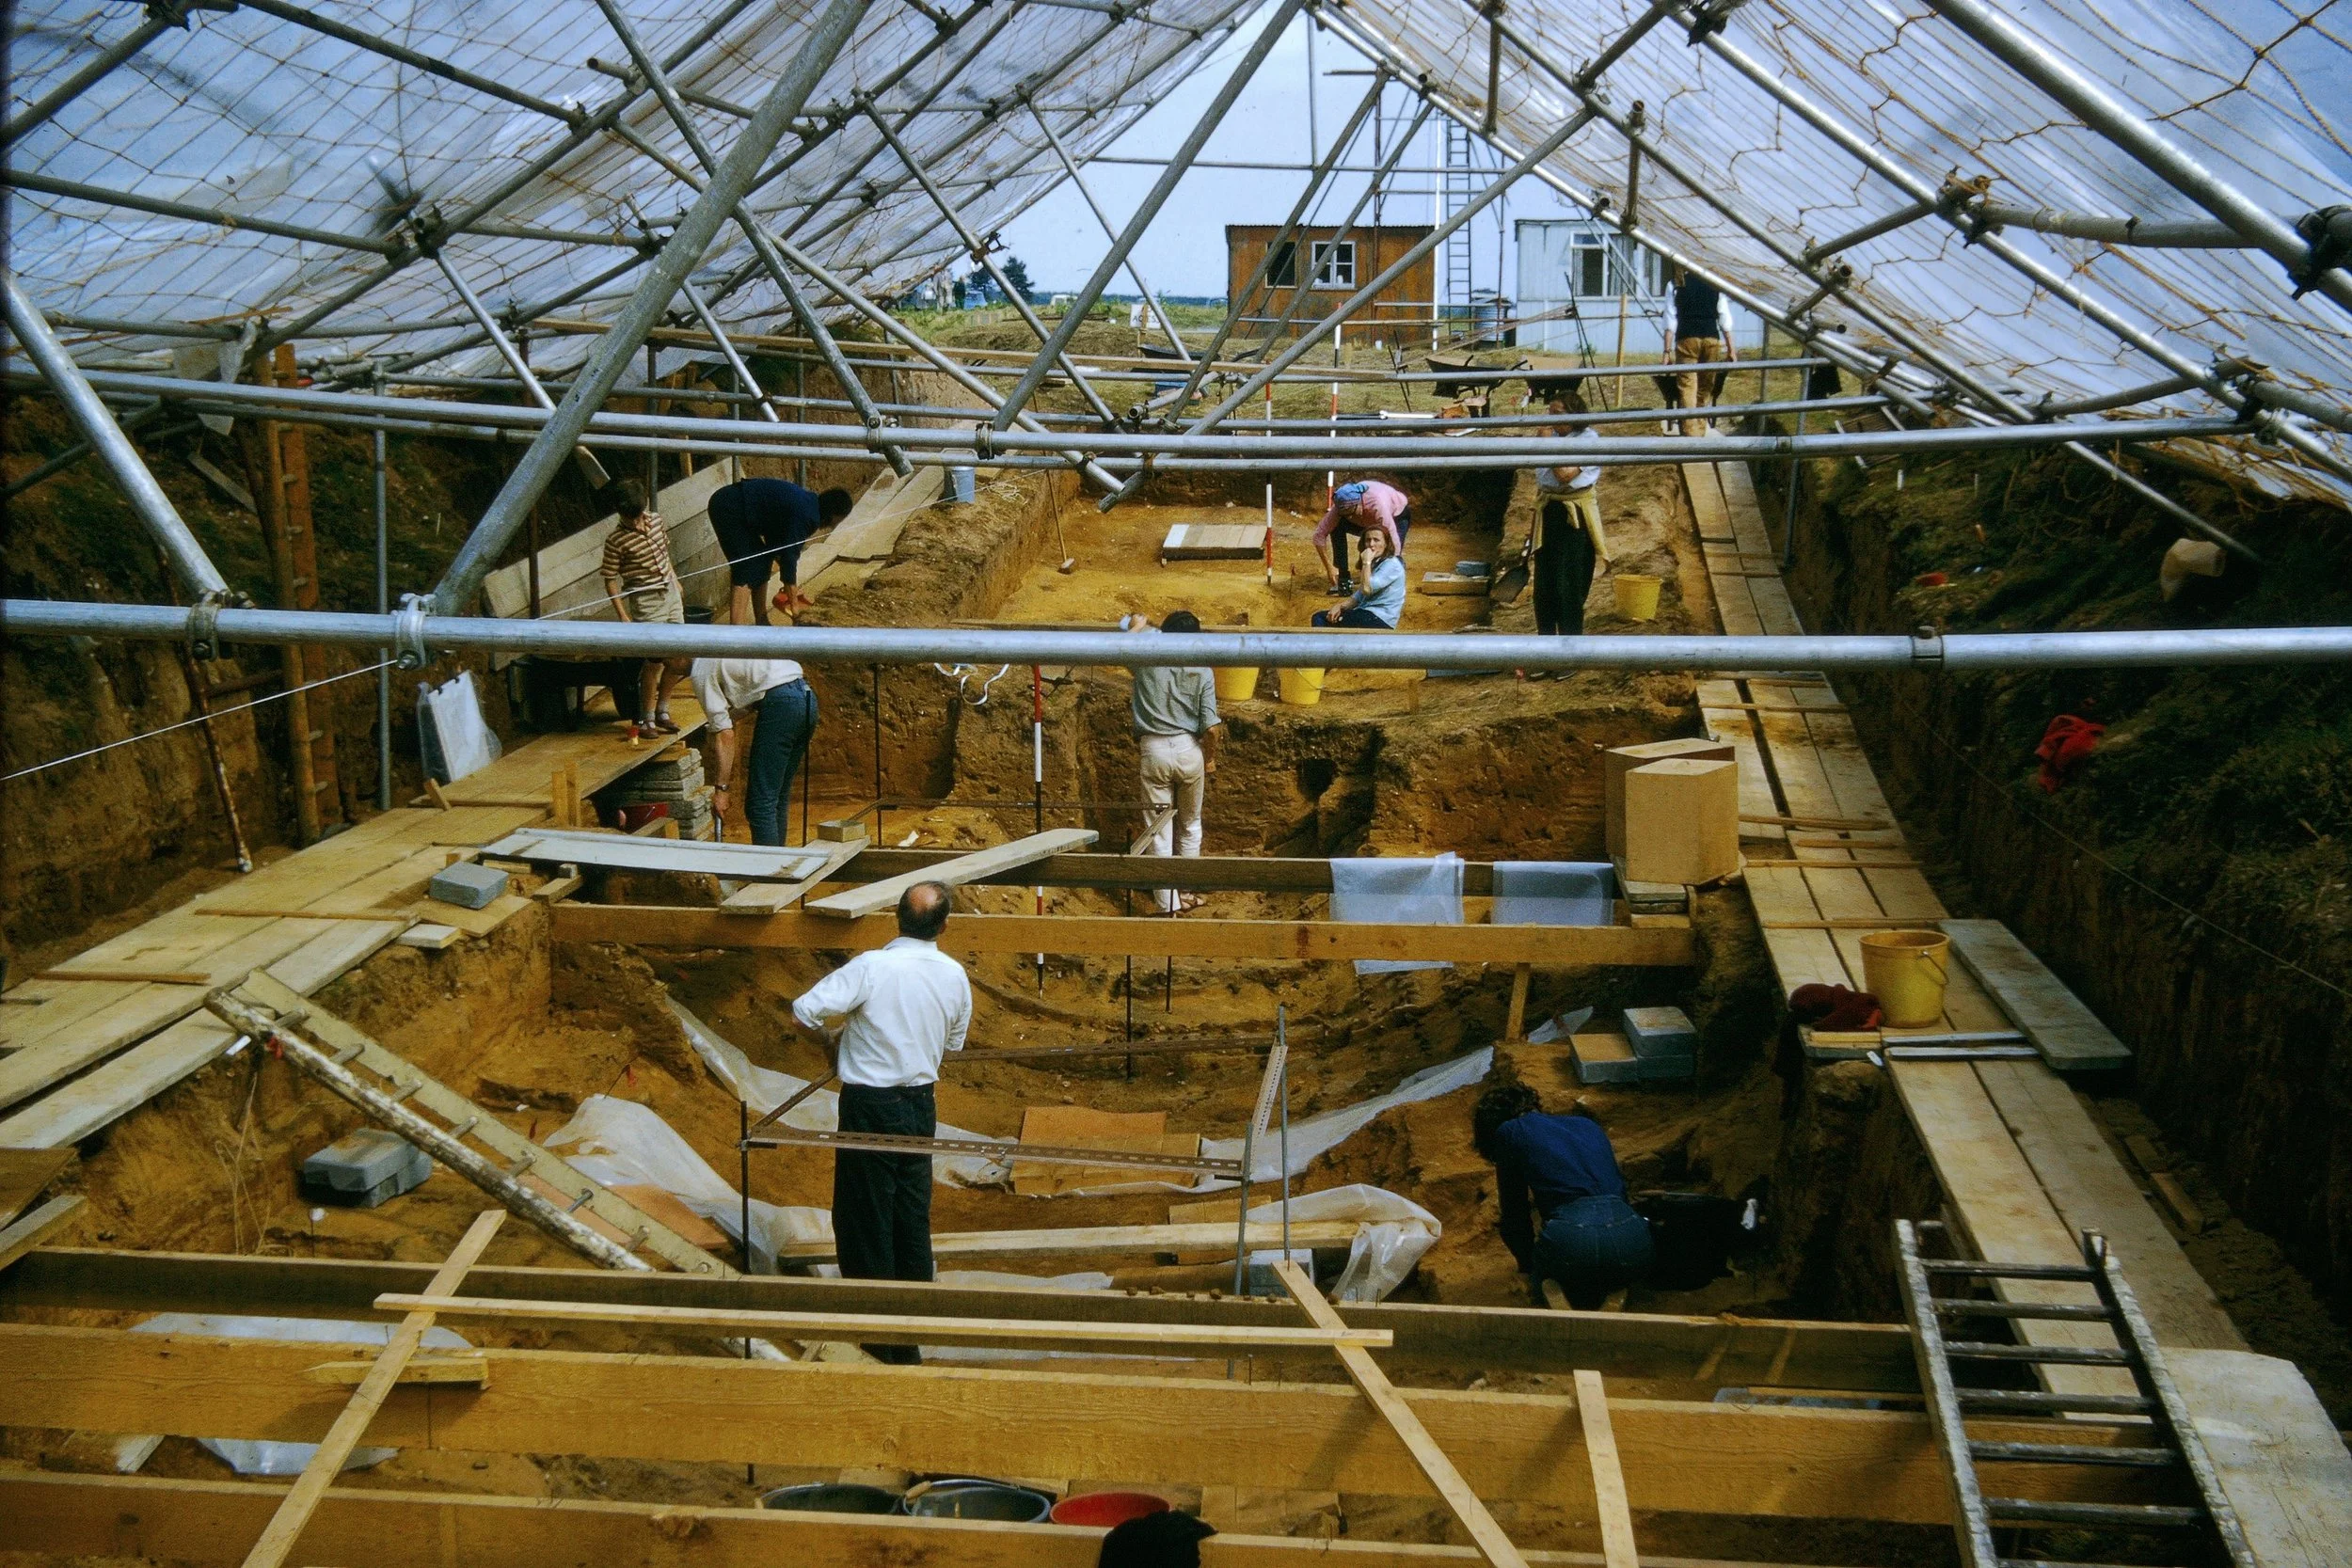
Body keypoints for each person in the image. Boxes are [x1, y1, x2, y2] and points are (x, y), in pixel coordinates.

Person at [789, 881, 971, 1363]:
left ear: (896, 917)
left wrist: (832, 1042)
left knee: (864, 1215)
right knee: (910, 1214)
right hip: (919, 1106)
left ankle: (879, 1341)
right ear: (944, 926)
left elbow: (804, 1011)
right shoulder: (954, 976)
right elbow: (952, 1045)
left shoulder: (872, 966)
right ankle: (909, 1328)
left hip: (870, 1105)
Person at [1473, 1082, 1653, 1308]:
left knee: (1555, 1265)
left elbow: (1514, 1216)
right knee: (1602, 1259)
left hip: (1572, 1241)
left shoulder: (1510, 1132)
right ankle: (1614, 1287)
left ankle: (1551, 1292)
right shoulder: (1586, 1124)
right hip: (1633, 1238)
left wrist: (1529, 1268)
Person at [1128, 610, 1223, 914]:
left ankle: (1168, 904)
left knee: (1159, 829)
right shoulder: (1202, 670)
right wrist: (1209, 759)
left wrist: (1137, 628)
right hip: (1189, 750)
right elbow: (1211, 728)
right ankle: (1184, 890)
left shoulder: (1146, 659)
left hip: (1153, 750)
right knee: (1191, 824)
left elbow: (1117, 647)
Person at [690, 633, 817, 847]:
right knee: (776, 797)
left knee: (760, 805)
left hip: (782, 704)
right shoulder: (718, 648)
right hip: (806, 697)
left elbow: (725, 735)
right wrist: (722, 722)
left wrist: (721, 790)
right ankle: (778, 866)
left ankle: (767, 873)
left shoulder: (700, 669)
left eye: (664, 661)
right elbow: (750, 698)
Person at [596, 478, 688, 736]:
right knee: (654, 660)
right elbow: (610, 579)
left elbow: (664, 554)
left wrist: (675, 580)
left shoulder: (656, 520)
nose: (636, 522)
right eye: (630, 518)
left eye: (638, 516)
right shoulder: (616, 541)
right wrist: (623, 615)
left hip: (669, 593)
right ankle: (646, 718)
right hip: (646, 602)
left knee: (679, 656)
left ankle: (663, 710)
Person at [708, 475, 853, 626]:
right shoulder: (807, 516)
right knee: (746, 566)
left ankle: (761, 620)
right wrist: (794, 605)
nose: (837, 525)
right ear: (834, 514)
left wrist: (792, 589)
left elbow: (780, 548)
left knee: (764, 560)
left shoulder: (809, 506)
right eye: (840, 519)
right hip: (728, 507)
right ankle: (737, 630)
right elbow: (790, 558)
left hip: (741, 509)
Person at [1526, 394, 1612, 649]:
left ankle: (1570, 650)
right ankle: (1546, 649)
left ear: (1574, 414)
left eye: (1557, 413)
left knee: (1569, 587)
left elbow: (1564, 475)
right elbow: (1543, 487)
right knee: (1544, 587)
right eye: (1549, 412)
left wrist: (1546, 443)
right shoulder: (1550, 438)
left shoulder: (1588, 440)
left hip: (1576, 517)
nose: (1550, 419)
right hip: (1549, 510)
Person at [1311, 479, 1410, 595]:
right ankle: (1343, 578)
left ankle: (1387, 581)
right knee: (1336, 526)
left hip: (1397, 515)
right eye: (1345, 515)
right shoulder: (1341, 507)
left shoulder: (1377, 505)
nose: (1349, 517)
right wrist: (1329, 568)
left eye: (1350, 513)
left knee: (1389, 553)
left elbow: (1392, 538)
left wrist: (1394, 562)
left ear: (1358, 504)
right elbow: (1319, 535)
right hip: (1366, 519)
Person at [1311, 522, 1404, 629]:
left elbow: (1367, 589)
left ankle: (1324, 646)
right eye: (1368, 540)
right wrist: (1340, 606)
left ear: (1386, 544)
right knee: (1325, 616)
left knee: (1320, 619)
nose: (1371, 544)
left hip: (1379, 618)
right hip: (1366, 615)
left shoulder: (1392, 564)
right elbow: (1359, 596)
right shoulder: (1377, 563)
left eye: (1376, 540)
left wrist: (1366, 562)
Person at [1670, 267, 1728, 436]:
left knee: (1688, 386)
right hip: (1711, 337)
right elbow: (1724, 316)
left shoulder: (1677, 284)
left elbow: (1670, 319)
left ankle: (1691, 434)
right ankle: (1700, 431)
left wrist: (1666, 351)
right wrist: (1731, 348)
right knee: (1705, 386)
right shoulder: (1714, 284)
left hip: (1686, 337)